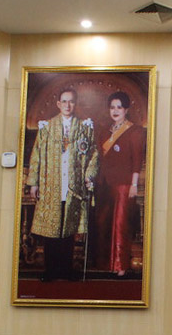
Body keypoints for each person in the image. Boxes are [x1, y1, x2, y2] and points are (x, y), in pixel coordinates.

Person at [26, 87, 99, 280]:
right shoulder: (47, 127)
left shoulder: (84, 127)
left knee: (68, 228)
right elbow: (36, 155)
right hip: (51, 184)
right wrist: (34, 183)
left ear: (76, 104)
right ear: (58, 104)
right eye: (64, 101)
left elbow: (93, 154)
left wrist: (89, 176)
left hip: (73, 186)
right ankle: (50, 270)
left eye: (71, 101)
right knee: (52, 229)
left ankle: (66, 270)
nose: (68, 105)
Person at [95, 91, 146, 276]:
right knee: (104, 224)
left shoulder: (135, 131)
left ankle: (120, 266)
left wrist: (134, 184)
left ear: (126, 109)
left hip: (124, 185)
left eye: (119, 107)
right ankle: (105, 265)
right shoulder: (105, 131)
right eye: (112, 107)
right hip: (105, 184)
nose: (115, 111)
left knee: (120, 225)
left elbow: (137, 160)